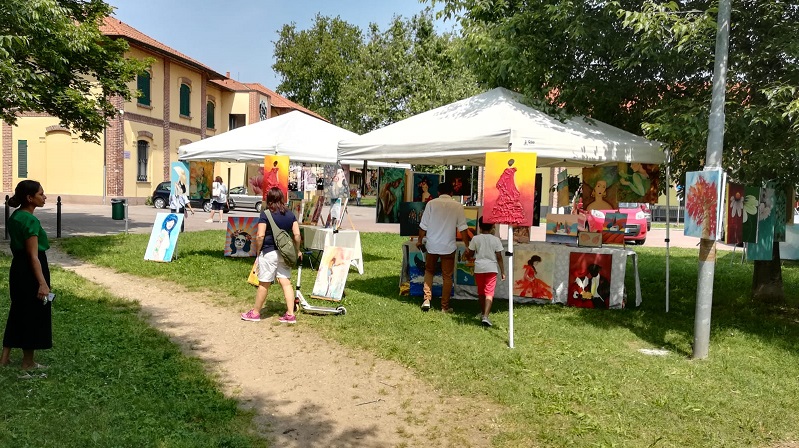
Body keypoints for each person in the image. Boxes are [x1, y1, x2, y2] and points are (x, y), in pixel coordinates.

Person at [1, 180, 52, 370]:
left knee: (18, 310)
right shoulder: (30, 220)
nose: (45, 197)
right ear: (30, 198)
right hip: (32, 268)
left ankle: (4, 358)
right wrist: (42, 283)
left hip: (18, 268)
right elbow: (33, 256)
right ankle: (28, 363)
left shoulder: (15, 216)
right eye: (41, 194)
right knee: (33, 313)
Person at [241, 187, 303, 324]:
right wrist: (297, 250)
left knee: (264, 283)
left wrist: (258, 252)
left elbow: (260, 235)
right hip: (285, 254)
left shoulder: (266, 214)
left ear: (268, 199)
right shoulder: (290, 215)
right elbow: (297, 235)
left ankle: (256, 313)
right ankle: (290, 314)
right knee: (286, 282)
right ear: (282, 198)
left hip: (269, 252)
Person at [417, 182, 469, 313]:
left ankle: (427, 300)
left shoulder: (431, 204)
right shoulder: (457, 206)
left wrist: (419, 241)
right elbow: (463, 228)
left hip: (432, 245)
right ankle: (444, 307)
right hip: (448, 247)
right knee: (447, 277)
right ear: (451, 193)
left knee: (429, 271)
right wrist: (468, 245)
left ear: (438, 193)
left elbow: (423, 226)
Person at [464, 218, 505, 327]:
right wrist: (503, 271)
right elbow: (499, 257)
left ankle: (483, 313)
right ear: (492, 227)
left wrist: (467, 253)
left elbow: (470, 254)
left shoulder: (475, 239)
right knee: (489, 292)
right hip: (491, 268)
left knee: (481, 292)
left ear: (480, 227)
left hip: (479, 268)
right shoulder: (496, 240)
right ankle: (486, 316)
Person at [488, 158, 526, 225]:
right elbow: (511, 181)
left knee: (506, 205)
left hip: (509, 190)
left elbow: (500, 182)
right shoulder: (512, 171)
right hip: (510, 190)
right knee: (509, 205)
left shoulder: (509, 171)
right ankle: (510, 219)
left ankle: (508, 219)